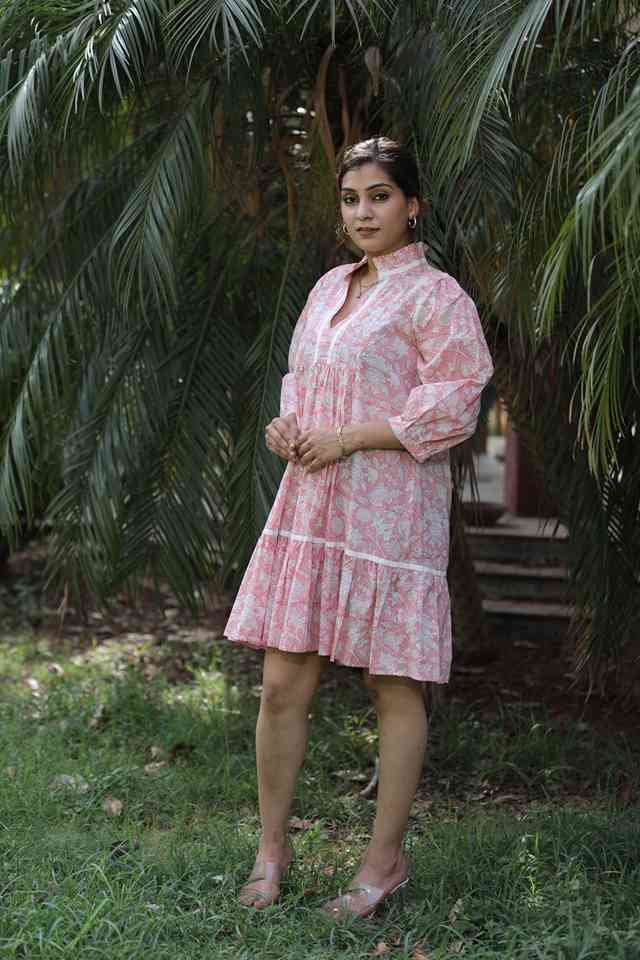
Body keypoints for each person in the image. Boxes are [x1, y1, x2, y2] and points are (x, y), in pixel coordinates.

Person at [223, 137, 494, 919]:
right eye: (351, 199)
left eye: (380, 196)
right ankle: (271, 852)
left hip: (390, 508)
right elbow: (303, 382)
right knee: (282, 682)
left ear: (413, 206)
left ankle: (383, 865)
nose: (364, 213)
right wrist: (288, 426)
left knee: (392, 683)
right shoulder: (327, 288)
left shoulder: (437, 297)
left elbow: (456, 401)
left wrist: (348, 438)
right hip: (312, 503)